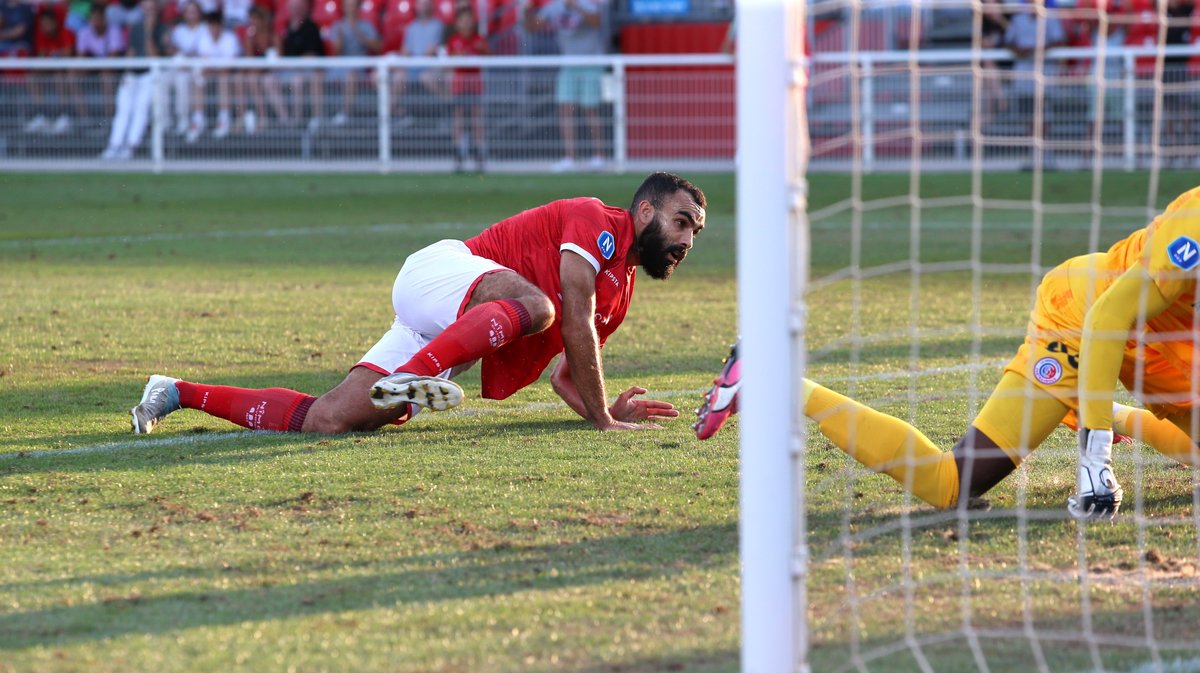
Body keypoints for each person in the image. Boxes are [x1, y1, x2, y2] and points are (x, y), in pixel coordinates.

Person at [699, 187, 1200, 522]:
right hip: (1084, 316)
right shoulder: (1192, 228)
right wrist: (1096, 456)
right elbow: (1107, 319)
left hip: (1170, 342)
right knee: (952, 486)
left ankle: (1104, 410)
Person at [131, 172, 706, 436]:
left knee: (330, 420)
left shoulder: (620, 296)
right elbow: (570, 316)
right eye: (681, 222)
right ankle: (412, 377)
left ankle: (176, 392)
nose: (685, 240)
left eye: (695, 233)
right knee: (543, 307)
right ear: (646, 211)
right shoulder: (596, 220)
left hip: (448, 327)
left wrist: (604, 411)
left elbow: (566, 377)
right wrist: (604, 420)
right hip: (445, 274)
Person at [526, 0, 609, 172]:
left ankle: (598, 156)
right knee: (565, 108)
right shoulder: (553, 7)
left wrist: (576, 6)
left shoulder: (588, 4)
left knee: (590, 109)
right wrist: (527, 11)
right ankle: (569, 157)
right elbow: (533, 27)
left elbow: (596, 22)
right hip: (569, 64)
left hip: (591, 62)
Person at [101, 0, 168, 159]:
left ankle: (131, 146)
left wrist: (149, 32)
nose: (149, 12)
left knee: (141, 109)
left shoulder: (163, 29)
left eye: (152, 9)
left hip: (151, 75)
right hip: (133, 74)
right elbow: (131, 51)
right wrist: (127, 72)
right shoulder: (135, 27)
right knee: (123, 109)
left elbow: (154, 57)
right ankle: (114, 145)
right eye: (146, 8)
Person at [234, 4, 288, 132]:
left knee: (262, 79)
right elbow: (249, 59)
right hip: (257, 72)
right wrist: (250, 42)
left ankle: (279, 118)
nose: (253, 22)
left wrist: (260, 69)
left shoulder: (273, 36)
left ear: (263, 20)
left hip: (274, 72)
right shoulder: (250, 37)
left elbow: (279, 59)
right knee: (241, 78)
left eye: (256, 19)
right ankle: (249, 116)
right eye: (251, 19)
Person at [390, 0, 446, 123]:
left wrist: (417, 57)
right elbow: (405, 51)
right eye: (421, 3)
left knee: (426, 77)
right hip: (413, 68)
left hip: (432, 68)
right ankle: (398, 113)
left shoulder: (439, 26)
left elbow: (432, 52)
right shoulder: (411, 27)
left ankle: (449, 107)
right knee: (398, 76)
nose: (424, 7)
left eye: (426, 3)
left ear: (431, 6)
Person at [26, 9, 80, 136]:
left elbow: (68, 55)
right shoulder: (41, 36)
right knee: (32, 76)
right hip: (52, 69)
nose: (45, 27)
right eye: (42, 25)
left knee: (59, 76)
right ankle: (41, 115)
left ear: (55, 22)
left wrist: (53, 58)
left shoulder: (66, 33)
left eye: (47, 23)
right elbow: (41, 58)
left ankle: (64, 115)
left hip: (69, 71)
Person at [327, 0, 381, 127]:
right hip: (340, 70)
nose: (350, 9)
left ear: (358, 7)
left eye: (353, 5)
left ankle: (348, 113)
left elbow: (378, 47)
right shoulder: (337, 26)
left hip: (360, 70)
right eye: (348, 6)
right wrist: (340, 40)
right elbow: (336, 53)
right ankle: (343, 114)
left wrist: (358, 33)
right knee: (348, 75)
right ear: (343, 8)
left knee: (354, 75)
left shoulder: (366, 25)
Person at [446, 8, 487, 172]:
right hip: (460, 86)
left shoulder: (479, 40)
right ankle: (459, 153)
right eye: (463, 19)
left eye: (469, 19)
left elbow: (490, 57)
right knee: (459, 118)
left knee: (477, 117)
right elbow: (449, 59)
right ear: (457, 23)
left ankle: (479, 152)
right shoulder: (453, 40)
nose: (467, 23)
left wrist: (482, 50)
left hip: (476, 86)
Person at [191, 9, 240, 141]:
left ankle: (224, 120)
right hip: (211, 75)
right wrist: (213, 69)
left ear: (221, 25)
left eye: (215, 25)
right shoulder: (204, 38)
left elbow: (229, 66)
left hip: (227, 76)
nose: (213, 29)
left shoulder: (230, 38)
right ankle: (198, 120)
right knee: (198, 78)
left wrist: (214, 70)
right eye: (210, 25)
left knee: (223, 79)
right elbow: (203, 61)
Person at [276, 0, 325, 132]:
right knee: (268, 80)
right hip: (288, 70)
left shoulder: (311, 27)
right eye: (293, 7)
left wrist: (294, 64)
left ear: (305, 8)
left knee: (297, 80)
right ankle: (285, 120)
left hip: (307, 71)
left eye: (298, 7)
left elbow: (313, 54)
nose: (296, 10)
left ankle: (298, 121)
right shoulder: (286, 28)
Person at [169, 1, 205, 135]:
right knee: (160, 80)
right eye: (188, 12)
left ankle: (189, 119)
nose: (191, 15)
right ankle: (166, 122)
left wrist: (187, 57)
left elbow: (202, 52)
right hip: (180, 67)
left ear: (200, 14)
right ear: (184, 14)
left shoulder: (205, 29)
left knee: (183, 79)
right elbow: (174, 50)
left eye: (194, 11)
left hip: (198, 69)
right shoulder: (179, 30)